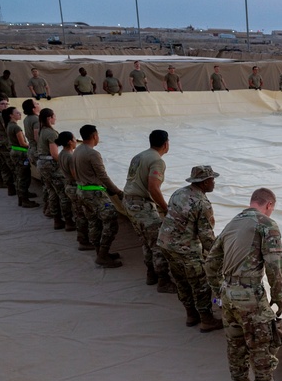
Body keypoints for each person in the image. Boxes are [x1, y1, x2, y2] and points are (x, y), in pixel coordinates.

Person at [205, 188, 282, 381]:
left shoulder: (233, 223)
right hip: (250, 298)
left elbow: (210, 264)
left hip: (228, 295)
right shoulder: (267, 224)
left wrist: (220, 292)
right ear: (269, 205)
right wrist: (277, 296)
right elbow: (274, 266)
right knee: (262, 345)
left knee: (235, 343)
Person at [157, 166, 223, 332]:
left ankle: (191, 315)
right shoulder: (202, 203)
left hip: (165, 244)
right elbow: (206, 237)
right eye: (212, 179)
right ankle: (207, 320)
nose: (214, 182)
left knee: (181, 281)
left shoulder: (178, 193)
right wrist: (220, 256)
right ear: (204, 182)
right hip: (185, 249)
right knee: (201, 284)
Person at [124, 130, 175, 293]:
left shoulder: (139, 156)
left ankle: (150, 274)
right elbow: (153, 188)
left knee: (146, 240)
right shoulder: (157, 160)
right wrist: (166, 208)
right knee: (158, 243)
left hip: (129, 202)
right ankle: (163, 280)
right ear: (166, 144)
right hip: (141, 205)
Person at [73, 124, 124, 268]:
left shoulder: (78, 150)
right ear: (95, 135)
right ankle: (102, 254)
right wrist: (118, 192)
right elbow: (103, 176)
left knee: (93, 221)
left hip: (82, 191)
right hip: (94, 193)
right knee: (111, 220)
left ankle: (100, 252)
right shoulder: (92, 153)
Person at [37, 108, 72, 231]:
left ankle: (57, 219)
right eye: (54, 116)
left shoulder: (42, 130)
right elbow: (54, 154)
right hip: (50, 165)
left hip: (42, 163)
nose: (55, 118)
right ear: (49, 118)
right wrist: (64, 165)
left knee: (52, 191)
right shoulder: (51, 133)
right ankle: (68, 221)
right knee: (62, 194)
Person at [57, 130, 93, 250]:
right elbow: (75, 175)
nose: (75, 141)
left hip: (68, 185)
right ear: (69, 142)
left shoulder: (62, 153)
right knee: (81, 215)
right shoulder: (70, 156)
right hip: (73, 187)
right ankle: (83, 241)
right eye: (74, 139)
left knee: (78, 213)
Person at [3, 106, 38, 208]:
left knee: (20, 174)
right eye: (17, 113)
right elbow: (22, 143)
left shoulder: (9, 125)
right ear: (11, 115)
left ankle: (23, 195)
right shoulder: (16, 127)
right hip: (21, 154)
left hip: (16, 152)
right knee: (23, 176)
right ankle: (24, 199)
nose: (19, 114)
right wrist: (32, 146)